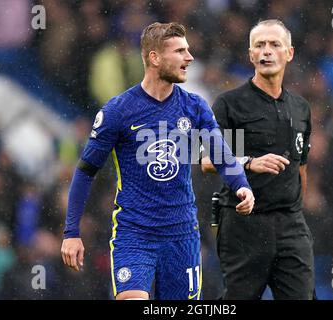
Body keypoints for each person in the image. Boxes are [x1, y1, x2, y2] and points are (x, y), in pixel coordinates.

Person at [61, 22, 255, 300]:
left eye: (188, 50)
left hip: (181, 235)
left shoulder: (195, 106)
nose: (189, 57)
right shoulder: (118, 111)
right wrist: (71, 232)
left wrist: (242, 186)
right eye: (179, 51)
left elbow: (221, 154)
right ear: (154, 58)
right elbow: (85, 172)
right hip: (134, 233)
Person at [201, 19, 314, 300]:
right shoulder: (229, 104)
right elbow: (206, 161)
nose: (267, 51)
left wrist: (298, 217)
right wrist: (250, 162)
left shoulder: (300, 107)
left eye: (275, 44)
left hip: (291, 226)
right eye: (259, 45)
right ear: (250, 55)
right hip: (244, 225)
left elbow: (302, 166)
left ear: (289, 53)